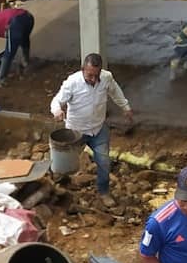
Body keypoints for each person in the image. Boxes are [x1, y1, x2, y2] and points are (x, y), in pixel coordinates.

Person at [50, 54, 133, 209]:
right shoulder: (72, 82)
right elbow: (57, 100)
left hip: (98, 129)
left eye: (96, 75)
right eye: (90, 76)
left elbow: (115, 91)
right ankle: (58, 189)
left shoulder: (106, 78)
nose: (94, 79)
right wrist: (57, 110)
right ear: (83, 70)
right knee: (65, 165)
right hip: (76, 132)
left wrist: (125, 107)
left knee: (104, 162)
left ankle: (104, 192)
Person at [0, 6, 34, 86]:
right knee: (24, 40)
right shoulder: (1, 15)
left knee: (9, 52)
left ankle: (0, 78)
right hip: (28, 17)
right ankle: (26, 62)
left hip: (16, 22)